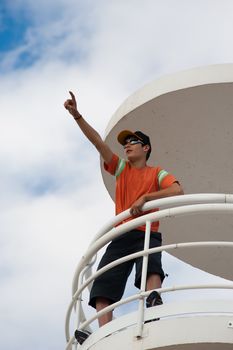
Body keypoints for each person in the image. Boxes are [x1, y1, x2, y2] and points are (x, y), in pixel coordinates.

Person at [64, 91, 184, 344]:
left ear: (146, 148)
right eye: (125, 142)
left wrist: (147, 198)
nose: (127, 144)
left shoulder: (156, 173)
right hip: (121, 233)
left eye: (133, 141)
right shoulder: (121, 168)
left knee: (152, 263)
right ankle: (103, 331)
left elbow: (177, 190)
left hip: (146, 230)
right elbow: (98, 143)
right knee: (104, 281)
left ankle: (153, 302)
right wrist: (77, 116)